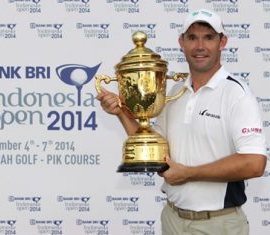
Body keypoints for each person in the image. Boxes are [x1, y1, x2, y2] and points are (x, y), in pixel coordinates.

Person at [96, 8, 267, 235]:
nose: (200, 46)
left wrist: (188, 173)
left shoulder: (236, 95)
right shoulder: (176, 92)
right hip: (173, 219)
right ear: (181, 42)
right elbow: (154, 146)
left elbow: (254, 163)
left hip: (218, 224)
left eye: (208, 37)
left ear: (222, 42)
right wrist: (121, 112)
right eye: (192, 37)